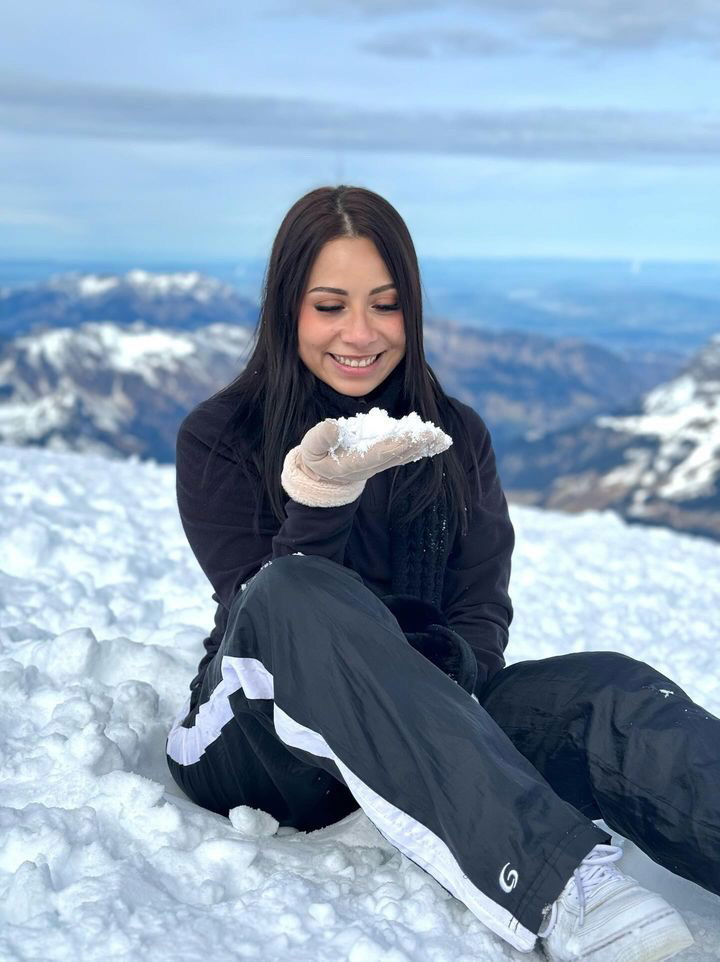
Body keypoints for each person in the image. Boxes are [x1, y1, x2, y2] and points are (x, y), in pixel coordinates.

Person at [164, 185, 712, 960]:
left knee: (609, 691)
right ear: (288, 308)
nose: (360, 333)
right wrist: (322, 499)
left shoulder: (453, 434)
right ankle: (562, 887)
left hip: (427, 729)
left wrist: (454, 666)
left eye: (385, 306)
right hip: (262, 750)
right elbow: (279, 617)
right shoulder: (220, 435)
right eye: (330, 306)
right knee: (293, 588)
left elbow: (482, 603)